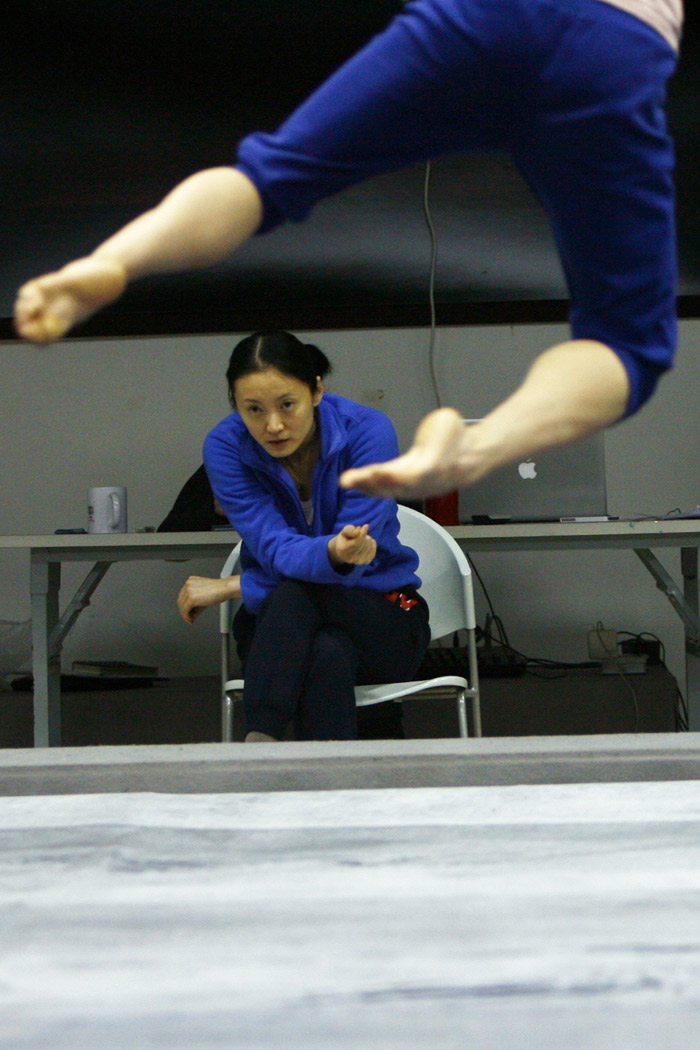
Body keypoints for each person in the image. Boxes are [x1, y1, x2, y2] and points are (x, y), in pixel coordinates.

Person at [14, 0, 683, 500]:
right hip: (616, 43)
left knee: (268, 177)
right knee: (627, 343)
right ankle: (478, 445)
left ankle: (115, 260)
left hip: (484, 17)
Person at [176, 331, 431, 741]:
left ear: (316, 390)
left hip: (383, 614)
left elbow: (338, 570)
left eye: (287, 405)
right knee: (325, 648)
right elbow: (276, 550)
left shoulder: (368, 432)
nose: (272, 425)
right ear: (236, 407)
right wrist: (332, 552)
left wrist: (239, 585)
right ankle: (345, 787)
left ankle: (260, 740)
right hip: (282, 628)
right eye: (253, 410)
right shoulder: (225, 447)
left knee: (295, 595)